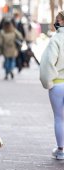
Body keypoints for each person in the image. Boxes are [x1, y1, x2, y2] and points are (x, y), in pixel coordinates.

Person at [40, 11, 64, 160]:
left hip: (58, 85)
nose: (55, 22)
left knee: (59, 118)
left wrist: (47, 82)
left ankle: (61, 149)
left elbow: (48, 63)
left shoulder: (56, 39)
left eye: (57, 20)